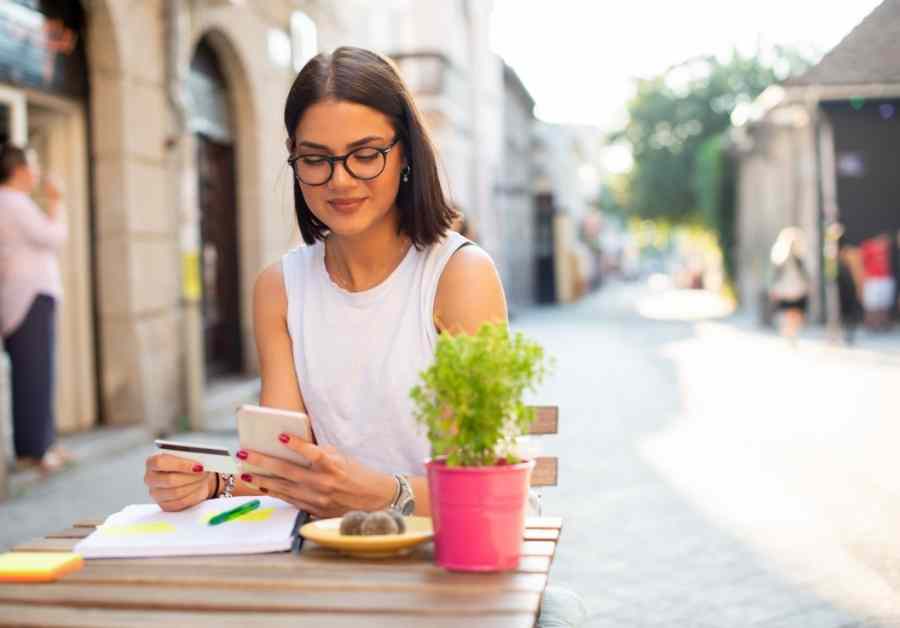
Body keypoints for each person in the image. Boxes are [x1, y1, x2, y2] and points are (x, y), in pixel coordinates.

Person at [144, 46, 584, 628]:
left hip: (457, 567)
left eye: (365, 155)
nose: (340, 180)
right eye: (316, 159)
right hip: (333, 569)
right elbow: (285, 465)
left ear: (405, 153)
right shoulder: (279, 287)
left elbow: (485, 493)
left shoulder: (457, 276)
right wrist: (210, 483)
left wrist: (376, 492)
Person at [0, 143, 71, 473]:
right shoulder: (12, 201)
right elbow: (53, 236)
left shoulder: (15, 202)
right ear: (19, 169)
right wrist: (56, 200)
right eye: (34, 164)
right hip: (29, 296)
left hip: (27, 295)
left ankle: (45, 443)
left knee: (38, 371)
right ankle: (35, 450)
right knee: (34, 373)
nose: (38, 172)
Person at [768, 227, 809, 344]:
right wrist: (774, 289)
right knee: (789, 313)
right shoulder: (780, 257)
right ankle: (789, 333)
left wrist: (807, 285)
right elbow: (775, 275)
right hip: (785, 289)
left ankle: (791, 333)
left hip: (798, 288)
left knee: (796, 313)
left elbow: (805, 273)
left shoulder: (799, 257)